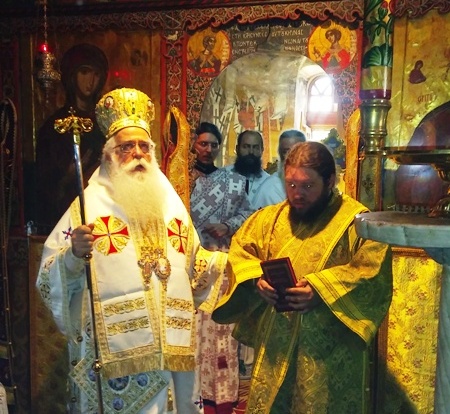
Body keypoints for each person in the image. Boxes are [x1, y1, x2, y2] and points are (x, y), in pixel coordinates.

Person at [36, 88, 227, 414]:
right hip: (115, 358)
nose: (137, 153)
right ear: (109, 154)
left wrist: (222, 263)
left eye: (143, 146)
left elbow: (193, 263)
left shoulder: (171, 205)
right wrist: (72, 256)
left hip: (169, 353)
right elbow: (47, 275)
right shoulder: (88, 206)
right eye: (126, 147)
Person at [212, 141, 393, 413]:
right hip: (276, 345)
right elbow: (241, 251)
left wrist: (320, 289)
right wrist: (257, 279)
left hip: (328, 352)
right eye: (291, 184)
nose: (297, 194)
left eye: (307, 186)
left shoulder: (356, 222)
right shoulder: (270, 218)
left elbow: (371, 270)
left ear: (329, 181)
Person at [190, 122, 254, 414]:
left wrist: (227, 225)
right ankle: (195, 396)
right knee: (194, 336)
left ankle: (224, 400)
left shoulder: (233, 181)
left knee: (223, 337)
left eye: (213, 145)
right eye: (203, 143)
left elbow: (247, 213)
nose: (208, 149)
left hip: (221, 268)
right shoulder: (178, 181)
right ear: (193, 145)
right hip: (189, 269)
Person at [35, 43, 109, 234]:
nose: (90, 81)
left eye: (96, 74)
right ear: (72, 74)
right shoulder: (54, 126)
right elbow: (46, 184)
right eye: (84, 72)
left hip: (101, 213)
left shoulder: (105, 123)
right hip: (64, 218)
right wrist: (68, 175)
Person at [252, 129, 305, 208]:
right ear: (280, 154)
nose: (292, 157)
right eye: (286, 152)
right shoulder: (270, 189)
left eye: (298, 151)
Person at [224, 130, 269, 209]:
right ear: (237, 149)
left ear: (262, 150)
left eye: (255, 147)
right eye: (246, 146)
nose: (251, 152)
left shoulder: (268, 182)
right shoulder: (222, 176)